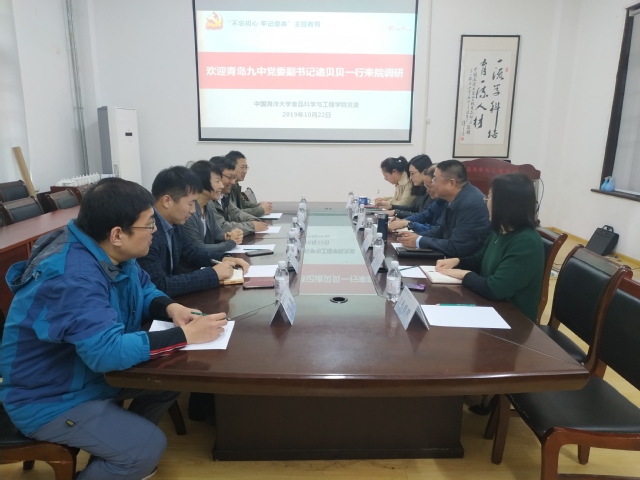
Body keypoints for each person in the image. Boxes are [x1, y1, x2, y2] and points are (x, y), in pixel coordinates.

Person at [0, 178, 228, 480]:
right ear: (117, 234)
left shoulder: (106, 249)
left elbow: (143, 288)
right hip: (49, 398)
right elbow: (106, 354)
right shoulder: (73, 276)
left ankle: (114, 446)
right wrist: (185, 335)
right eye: (149, 224)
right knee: (145, 450)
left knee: (170, 378)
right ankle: (127, 452)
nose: (155, 230)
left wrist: (172, 308)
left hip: (84, 376)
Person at [435, 173, 544, 323]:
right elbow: (480, 259)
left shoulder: (526, 242)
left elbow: (495, 289)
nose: (486, 203)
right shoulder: (501, 231)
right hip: (490, 309)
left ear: (505, 204)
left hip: (512, 321)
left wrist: (463, 274)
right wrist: (456, 261)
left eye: (489, 198)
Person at [137, 166, 248, 298]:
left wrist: (223, 258)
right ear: (167, 201)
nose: (193, 210)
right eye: (190, 204)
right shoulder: (147, 231)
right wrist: (212, 274)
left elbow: (191, 252)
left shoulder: (173, 223)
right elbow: (160, 285)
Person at [397, 159, 491, 257]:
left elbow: (456, 247)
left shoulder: (471, 204)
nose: (432, 184)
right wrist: (417, 237)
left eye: (434, 180)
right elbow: (441, 230)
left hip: (465, 262)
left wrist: (420, 241)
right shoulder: (453, 198)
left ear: (451, 183)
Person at [184, 160, 243, 254]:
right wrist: (231, 243)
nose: (221, 186)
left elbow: (218, 234)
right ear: (201, 182)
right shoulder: (188, 212)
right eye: (217, 181)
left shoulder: (207, 207)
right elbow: (199, 248)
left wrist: (228, 236)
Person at [209, 156, 269, 235]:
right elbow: (222, 227)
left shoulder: (223, 195)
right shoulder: (208, 201)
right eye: (229, 177)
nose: (233, 182)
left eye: (234, 177)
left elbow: (236, 213)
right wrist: (252, 225)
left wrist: (255, 221)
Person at [389, 165, 447, 234]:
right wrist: (404, 221)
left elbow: (437, 231)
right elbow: (423, 216)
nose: (427, 191)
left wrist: (409, 224)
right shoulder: (439, 201)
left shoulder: (450, 203)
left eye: (429, 186)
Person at [226, 150, 273, 217]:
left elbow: (243, 204)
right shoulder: (225, 187)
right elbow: (235, 213)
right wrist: (261, 210)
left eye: (246, 168)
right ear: (231, 167)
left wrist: (260, 205)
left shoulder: (235, 185)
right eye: (242, 167)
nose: (245, 171)